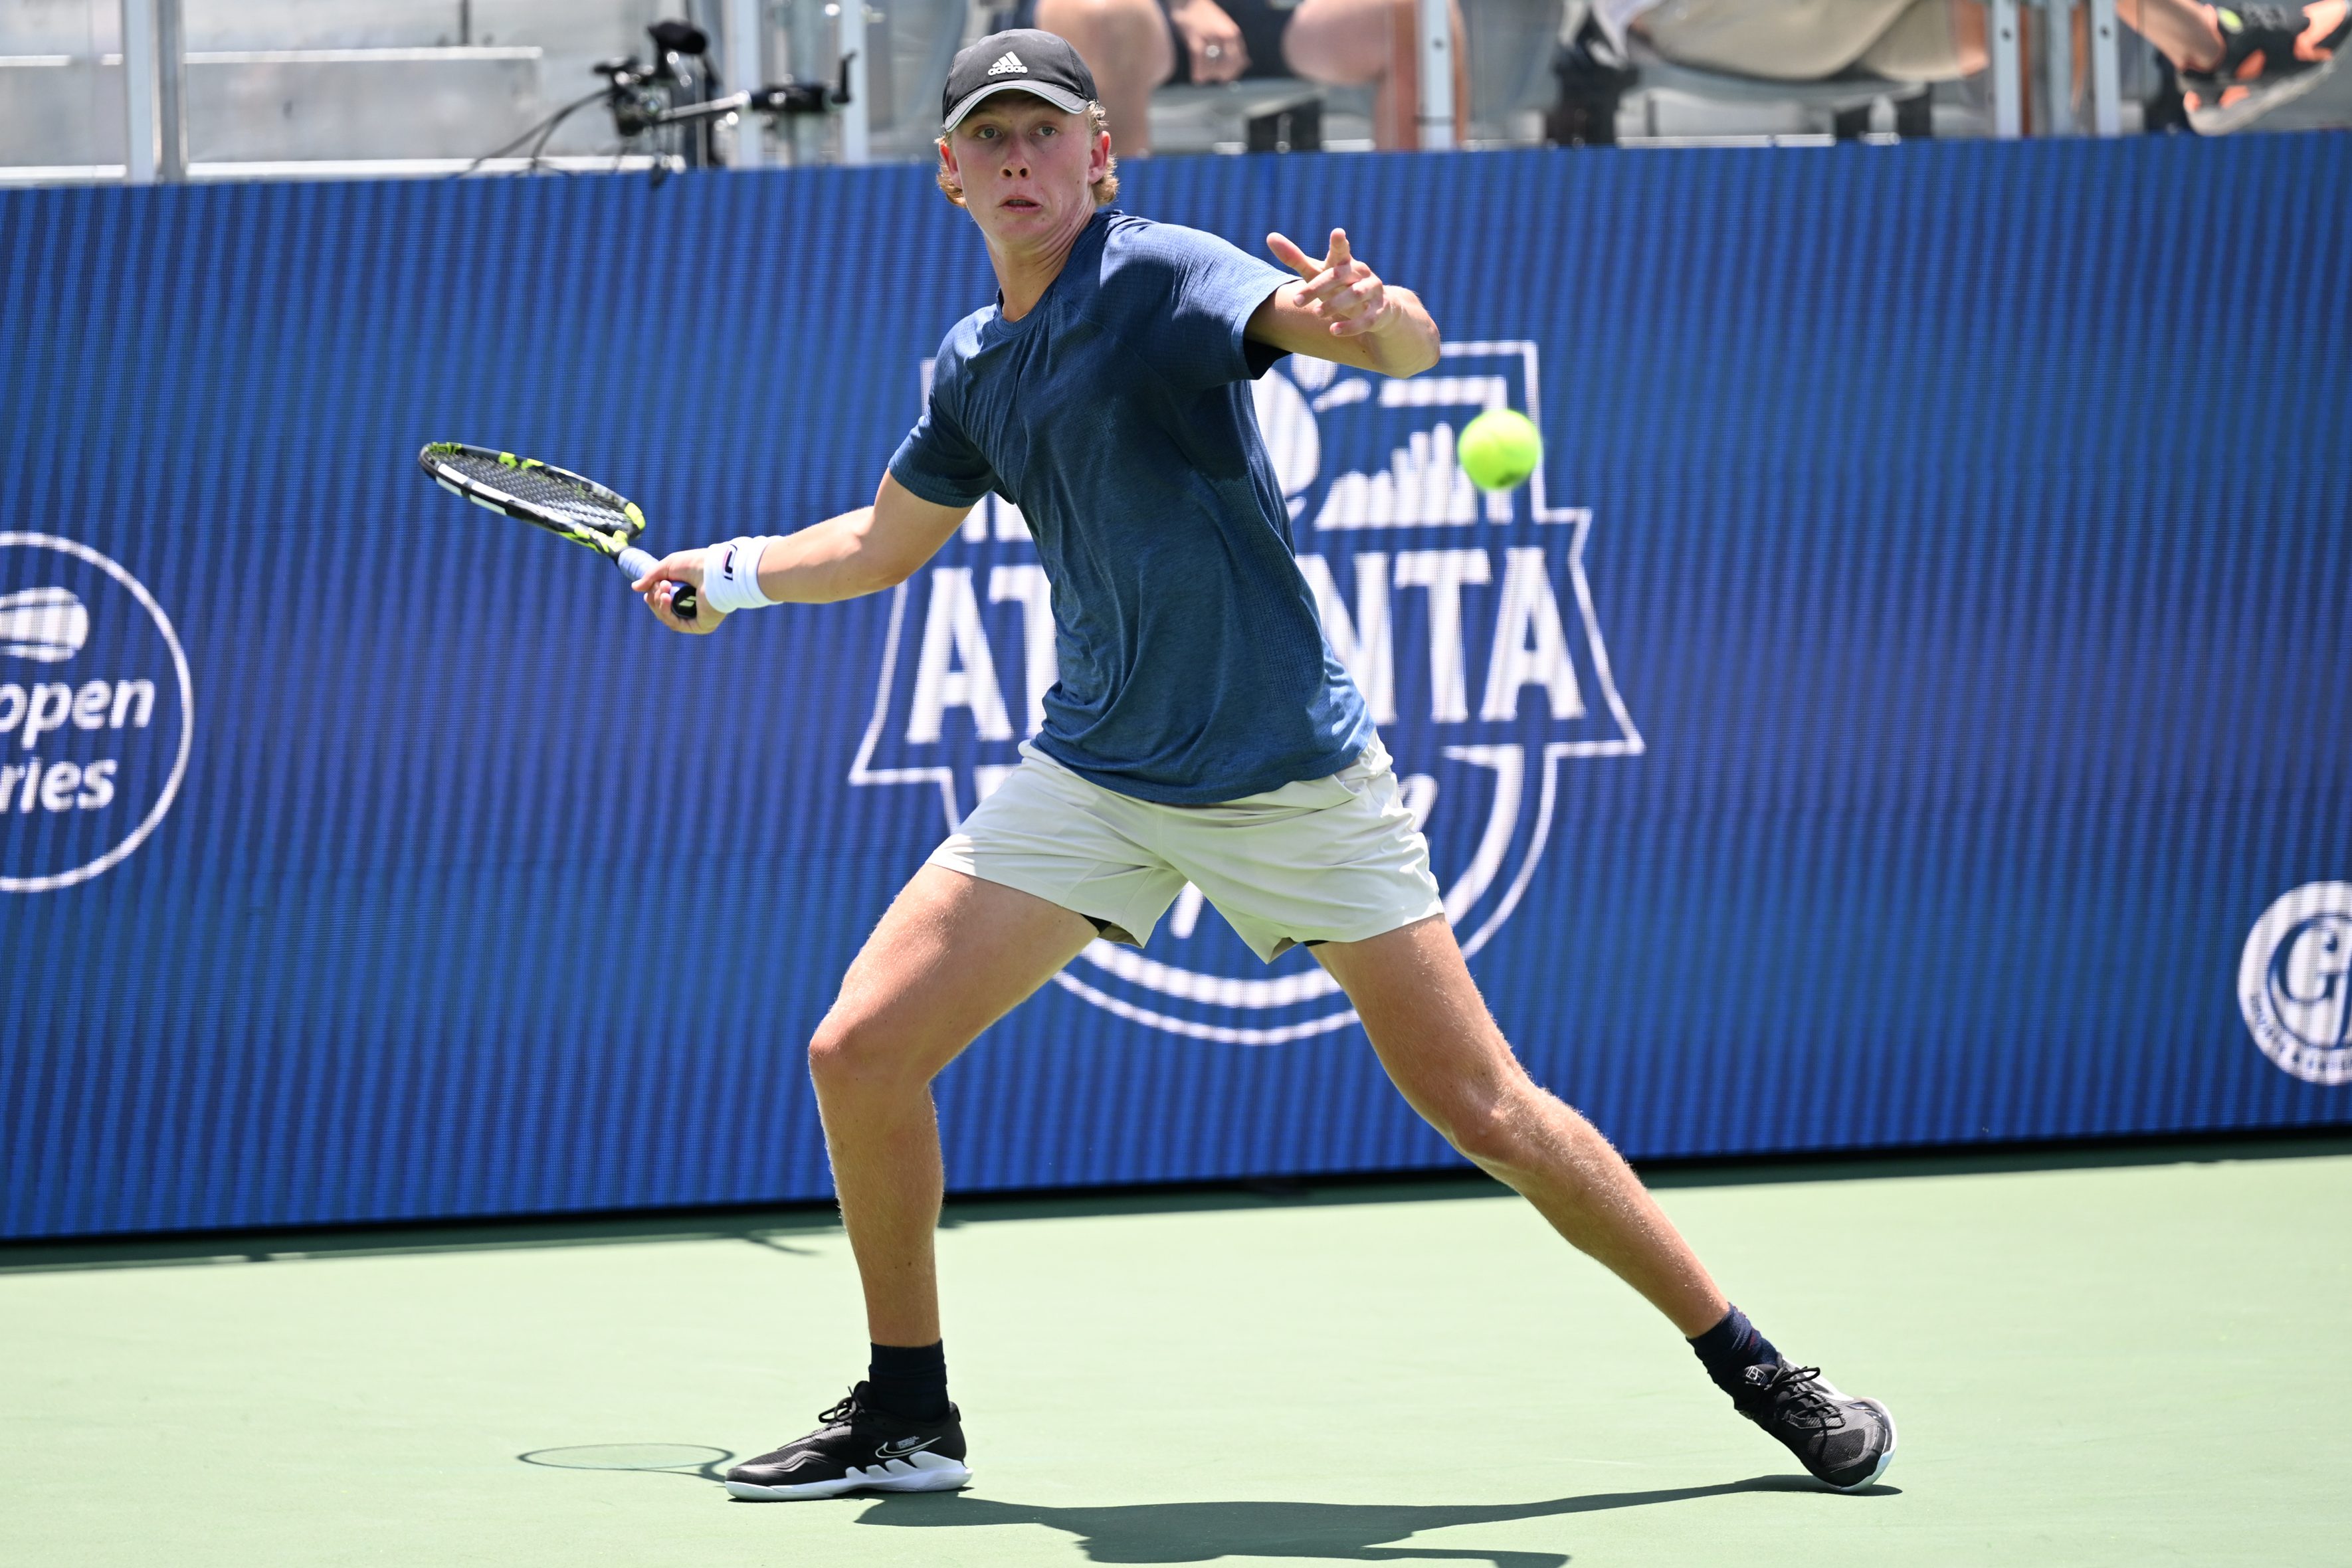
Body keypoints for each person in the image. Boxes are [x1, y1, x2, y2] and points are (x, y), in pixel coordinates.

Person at [631, 29, 1898, 1503]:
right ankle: (910, 1412)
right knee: (859, 1049)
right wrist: (725, 576)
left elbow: (1372, 336)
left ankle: (1758, 1370)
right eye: (992, 138)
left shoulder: (1164, 273)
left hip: (1289, 775)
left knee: (1484, 1106)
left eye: (1049, 132)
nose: (1022, 157)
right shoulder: (974, 365)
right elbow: (877, 542)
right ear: (950, 176)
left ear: (1103, 157)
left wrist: (1378, 318)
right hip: (1099, 773)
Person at [1591, 0, 2347, 135]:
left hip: (1829, 21)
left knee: (2065, 12)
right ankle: (2216, 52)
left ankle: (2041, 211)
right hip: (1706, 17)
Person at [1024, 0, 1467, 153]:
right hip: (1137, 15)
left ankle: (1421, 238)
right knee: (1103, 21)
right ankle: (1106, 263)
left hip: (1275, 16)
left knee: (1420, 16)